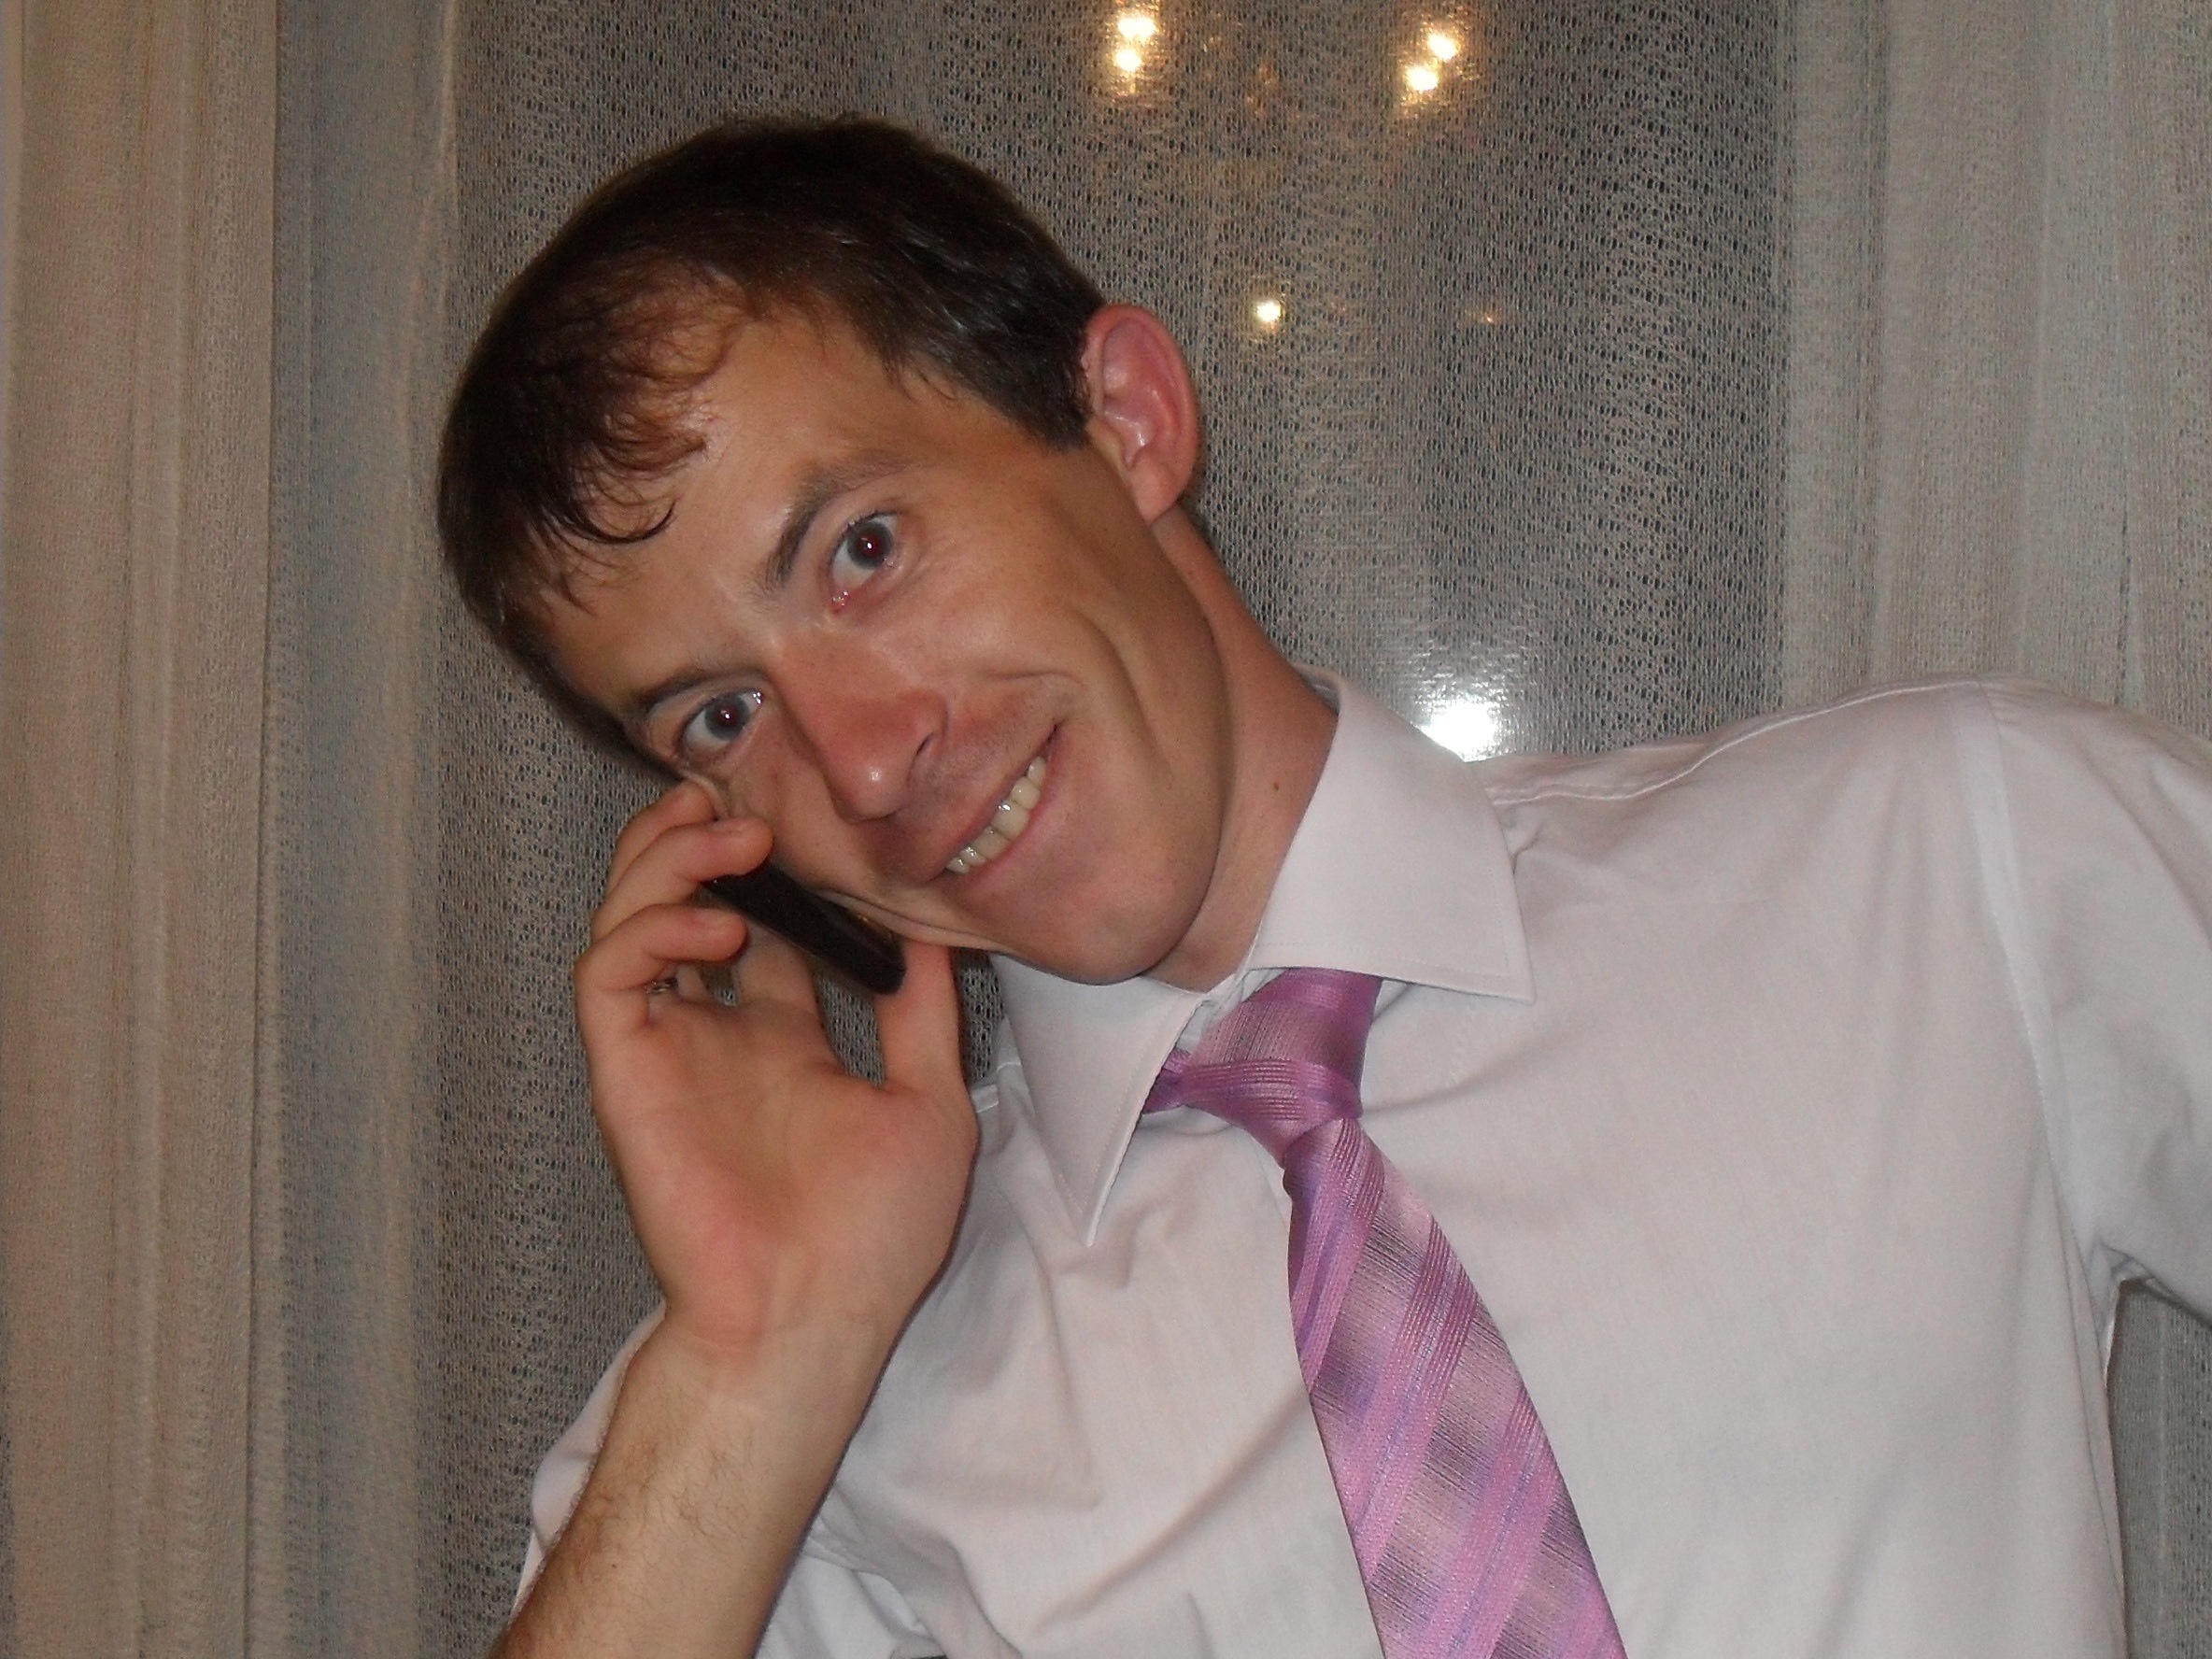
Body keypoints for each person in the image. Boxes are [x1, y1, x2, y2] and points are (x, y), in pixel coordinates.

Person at [436, 116, 2212, 1659]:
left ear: (1126, 419)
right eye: (722, 715)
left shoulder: (1950, 858)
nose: (867, 763)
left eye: (864, 551)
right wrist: (763, 1347)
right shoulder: (828, 1370)